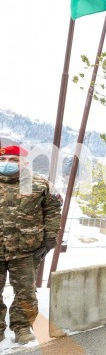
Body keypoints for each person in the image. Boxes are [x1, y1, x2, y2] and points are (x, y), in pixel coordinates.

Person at [0, 145, 62, 344]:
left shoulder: (39, 183)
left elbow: (53, 210)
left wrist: (50, 238)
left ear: (24, 163)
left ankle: (22, 328)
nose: (8, 164)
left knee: (25, 292)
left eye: (14, 160)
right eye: (5, 159)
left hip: (26, 251)